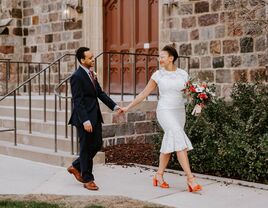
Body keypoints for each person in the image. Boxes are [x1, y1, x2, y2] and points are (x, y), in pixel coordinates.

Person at [120, 45, 202, 192]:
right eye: (160, 57)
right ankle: (190, 179)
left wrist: (200, 102)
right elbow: (144, 93)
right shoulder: (158, 75)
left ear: (171, 58)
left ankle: (159, 175)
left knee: (170, 140)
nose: (160, 59)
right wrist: (128, 107)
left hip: (179, 112)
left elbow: (191, 93)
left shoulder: (183, 74)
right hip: (165, 110)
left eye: (162, 56)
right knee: (177, 135)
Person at [68, 47, 121, 191]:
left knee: (97, 144)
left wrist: (115, 106)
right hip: (84, 118)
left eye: (93, 57)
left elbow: (100, 93)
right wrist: (85, 120)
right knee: (85, 148)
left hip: (95, 116)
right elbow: (77, 101)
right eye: (90, 58)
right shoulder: (77, 77)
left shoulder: (91, 74)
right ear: (82, 60)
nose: (93, 60)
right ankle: (88, 179)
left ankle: (76, 165)